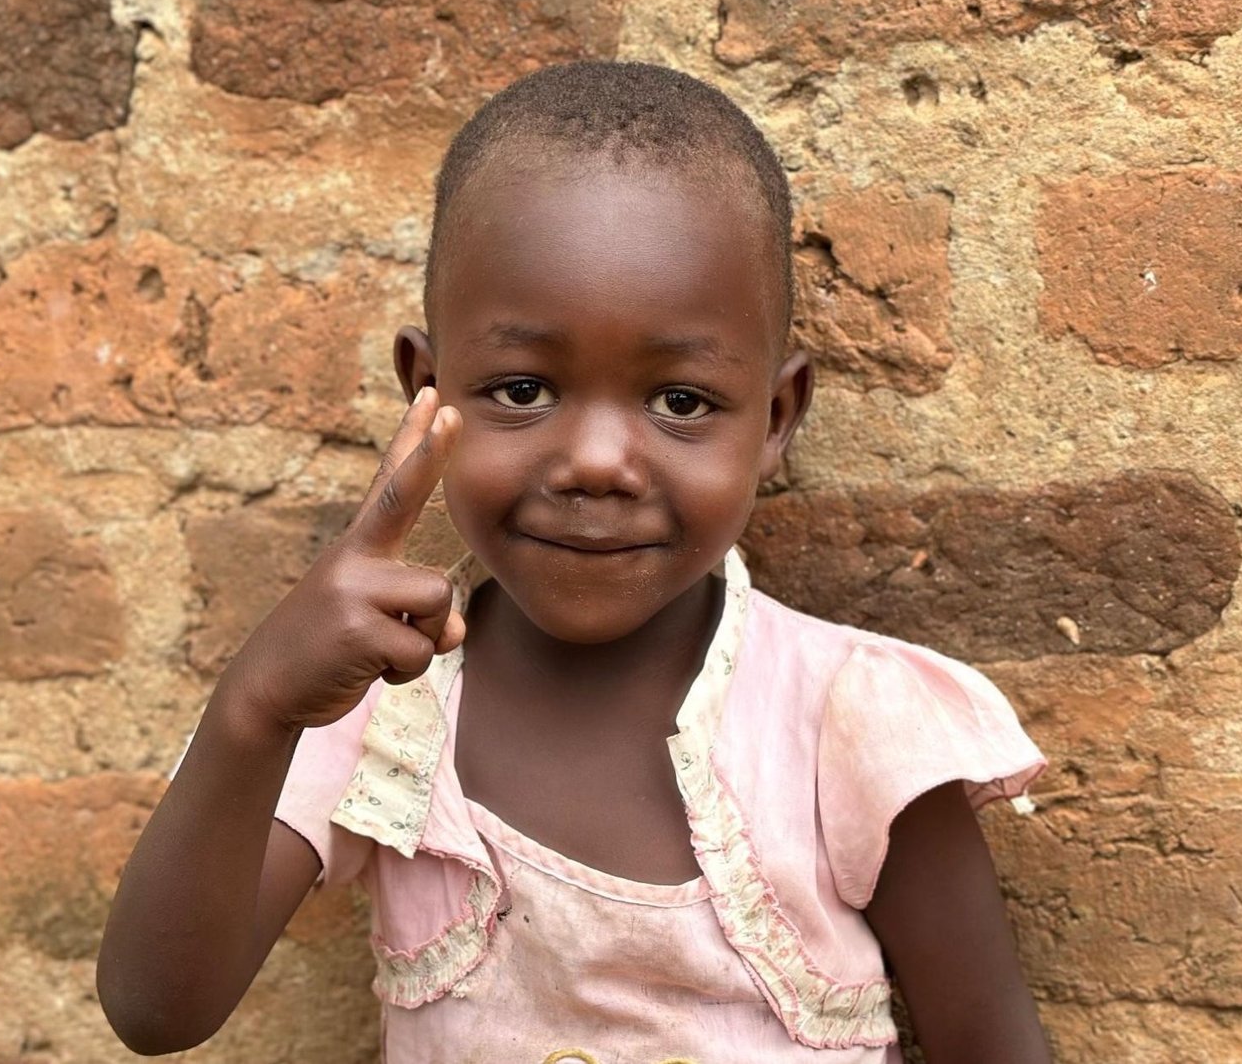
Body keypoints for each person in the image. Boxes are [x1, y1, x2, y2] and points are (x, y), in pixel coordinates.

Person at [97, 61, 1051, 1063]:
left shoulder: (847, 722)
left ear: (774, 420)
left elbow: (989, 1041)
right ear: (427, 389)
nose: (597, 462)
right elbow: (157, 1008)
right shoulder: (376, 716)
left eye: (680, 400)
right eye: (521, 388)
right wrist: (256, 705)